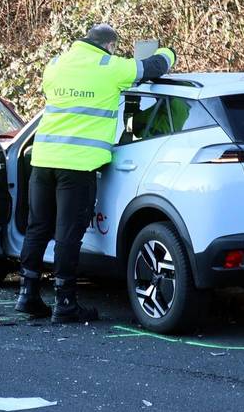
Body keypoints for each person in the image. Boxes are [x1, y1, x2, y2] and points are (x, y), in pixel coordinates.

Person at [15, 24, 176, 323]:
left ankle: (28, 294)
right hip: (77, 165)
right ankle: (64, 303)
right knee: (67, 235)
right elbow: (152, 67)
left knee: (38, 227)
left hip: (43, 159)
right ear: (110, 45)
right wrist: (169, 51)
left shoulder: (55, 65)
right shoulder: (110, 67)